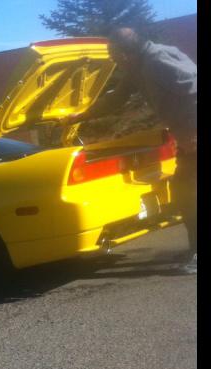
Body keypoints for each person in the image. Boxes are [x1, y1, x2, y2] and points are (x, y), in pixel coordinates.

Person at [66, 27, 197, 274]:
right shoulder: (137, 67)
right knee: (184, 191)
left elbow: (194, 87)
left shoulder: (157, 60)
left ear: (125, 54)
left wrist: (193, 132)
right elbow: (117, 99)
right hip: (188, 136)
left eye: (113, 55)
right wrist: (80, 116)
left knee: (187, 193)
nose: (112, 60)